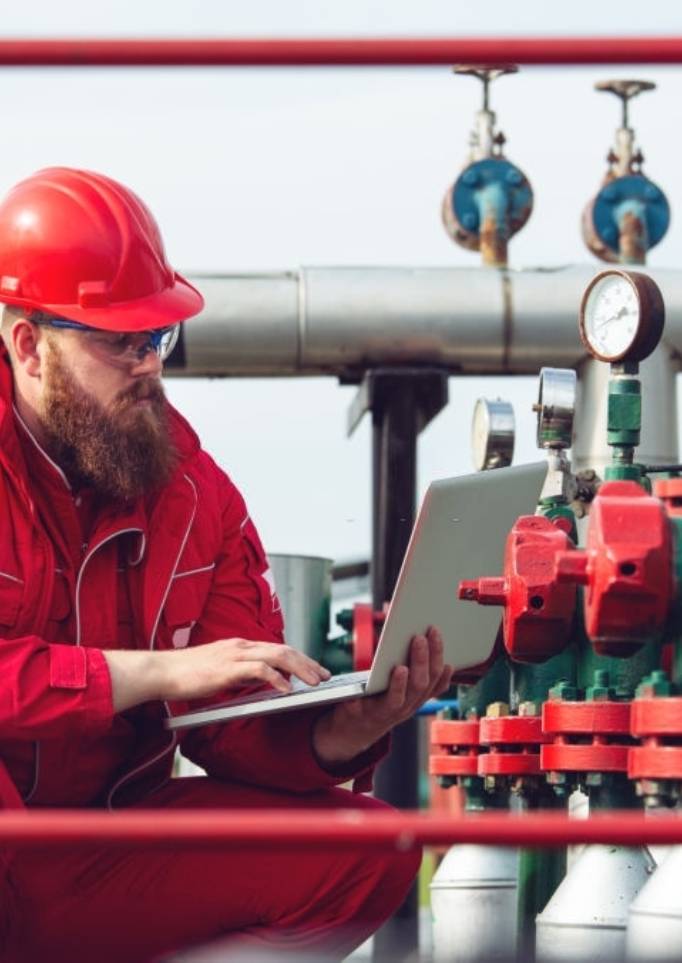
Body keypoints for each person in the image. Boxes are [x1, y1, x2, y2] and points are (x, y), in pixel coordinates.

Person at [0, 167, 453, 962]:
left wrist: (341, 733)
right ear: (29, 344)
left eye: (159, 337)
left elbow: (234, 722)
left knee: (372, 846)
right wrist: (153, 674)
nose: (149, 364)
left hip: (106, 854)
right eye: (120, 340)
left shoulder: (194, 492)